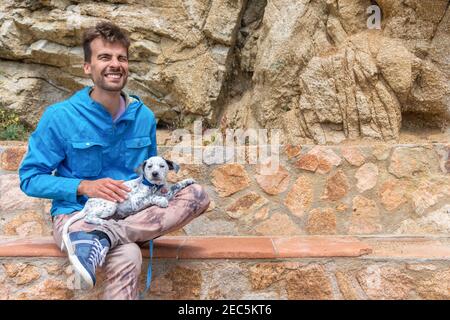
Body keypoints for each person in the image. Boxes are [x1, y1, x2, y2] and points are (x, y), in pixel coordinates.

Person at [18, 22, 210, 300]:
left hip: (132, 216)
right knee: (130, 254)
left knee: (197, 194)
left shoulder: (143, 117)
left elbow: (151, 179)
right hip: (80, 217)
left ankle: (107, 236)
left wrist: (163, 192)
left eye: (122, 58)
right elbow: (30, 178)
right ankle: (96, 237)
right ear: (88, 67)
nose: (115, 64)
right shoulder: (59, 116)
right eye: (105, 57)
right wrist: (84, 186)